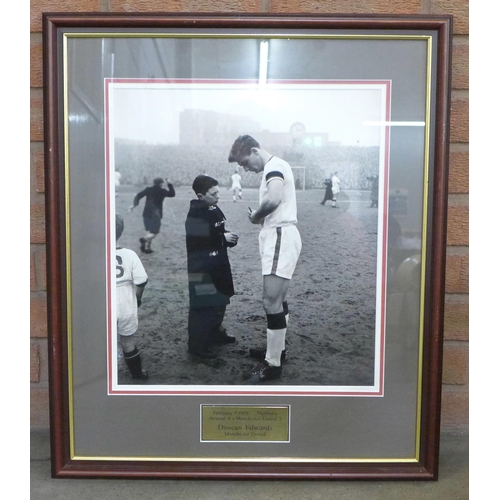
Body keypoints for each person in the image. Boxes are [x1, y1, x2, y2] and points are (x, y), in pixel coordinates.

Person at [228, 135, 302, 383]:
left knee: (271, 301)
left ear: (254, 150)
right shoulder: (275, 167)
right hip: (280, 234)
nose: (245, 168)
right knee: (278, 300)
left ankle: (273, 365)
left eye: (245, 161)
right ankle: (277, 351)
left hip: (279, 234)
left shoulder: (274, 166)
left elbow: (273, 199)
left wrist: (256, 216)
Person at [185, 175, 239, 359]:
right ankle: (197, 347)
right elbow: (198, 241)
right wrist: (222, 239)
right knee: (202, 307)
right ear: (201, 196)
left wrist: (227, 238)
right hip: (202, 268)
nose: (218, 196)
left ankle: (215, 333)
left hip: (218, 265)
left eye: (218, 193)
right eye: (213, 194)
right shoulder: (195, 214)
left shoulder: (213, 208)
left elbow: (217, 231)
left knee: (220, 299)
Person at [115, 214, 149, 381]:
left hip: (103, 301)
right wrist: (138, 298)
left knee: (101, 341)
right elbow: (142, 280)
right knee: (128, 342)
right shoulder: (129, 254)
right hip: (125, 301)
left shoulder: (94, 255)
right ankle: (137, 374)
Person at [129, 177, 176, 253]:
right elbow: (172, 194)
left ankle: (147, 248)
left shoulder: (148, 189)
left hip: (146, 212)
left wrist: (135, 205)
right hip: (156, 213)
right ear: (161, 183)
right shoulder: (162, 191)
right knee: (154, 232)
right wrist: (169, 183)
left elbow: (138, 196)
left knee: (149, 231)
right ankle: (143, 240)